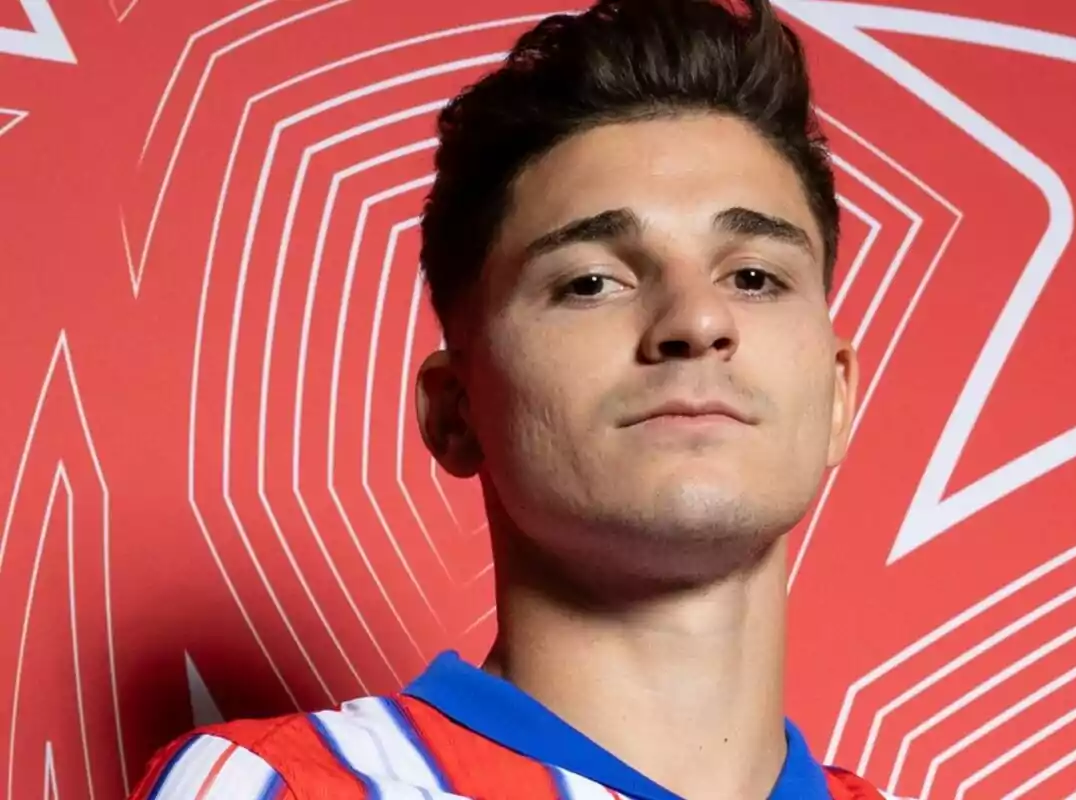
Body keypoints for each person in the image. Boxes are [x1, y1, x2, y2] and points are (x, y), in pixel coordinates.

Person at [131, 0, 893, 797]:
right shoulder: (279, 787)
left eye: (754, 277)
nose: (699, 320)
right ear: (455, 409)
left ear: (837, 396)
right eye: (591, 282)